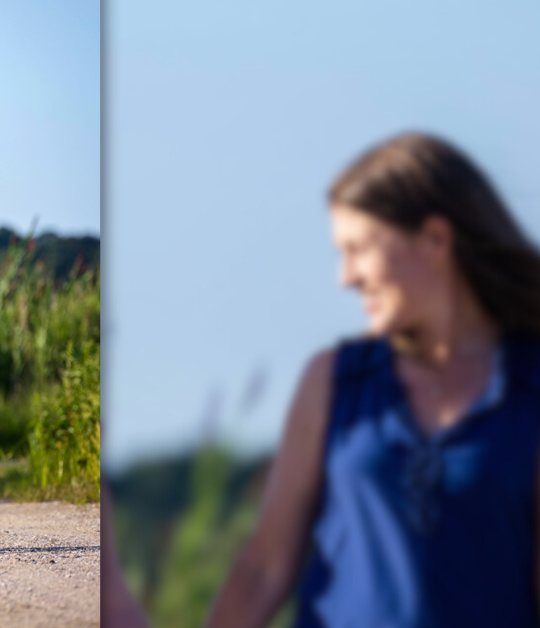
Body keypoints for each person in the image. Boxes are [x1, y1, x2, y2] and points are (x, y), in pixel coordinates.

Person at [207, 133, 540, 627]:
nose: (346, 276)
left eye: (358, 248)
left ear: (435, 240)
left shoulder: (529, 386)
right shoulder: (335, 381)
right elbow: (262, 567)